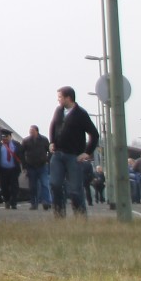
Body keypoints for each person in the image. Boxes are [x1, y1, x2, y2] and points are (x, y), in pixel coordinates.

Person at [47, 86, 100, 218]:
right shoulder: (58, 111)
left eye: (60, 97)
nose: (58, 100)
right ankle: (59, 215)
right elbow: (53, 126)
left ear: (68, 98)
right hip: (57, 155)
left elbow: (94, 134)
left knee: (75, 190)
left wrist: (87, 152)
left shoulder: (81, 114)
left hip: (73, 156)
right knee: (55, 184)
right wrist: (52, 142)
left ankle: (80, 217)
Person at [21, 125, 52, 210]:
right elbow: (21, 153)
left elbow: (50, 151)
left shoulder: (44, 140)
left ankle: (46, 202)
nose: (30, 132)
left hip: (42, 166)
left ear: (37, 131)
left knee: (44, 184)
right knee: (33, 186)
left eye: (32, 131)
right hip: (31, 166)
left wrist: (48, 160)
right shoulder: (26, 141)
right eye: (30, 131)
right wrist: (24, 165)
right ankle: (34, 203)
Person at [0, 128, 22, 209]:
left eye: (6, 136)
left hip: (13, 170)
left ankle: (14, 203)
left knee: (14, 187)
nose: (4, 138)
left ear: (10, 137)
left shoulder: (16, 145)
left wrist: (24, 164)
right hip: (3, 170)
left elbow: (21, 155)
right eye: (3, 136)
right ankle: (7, 200)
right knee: (4, 187)